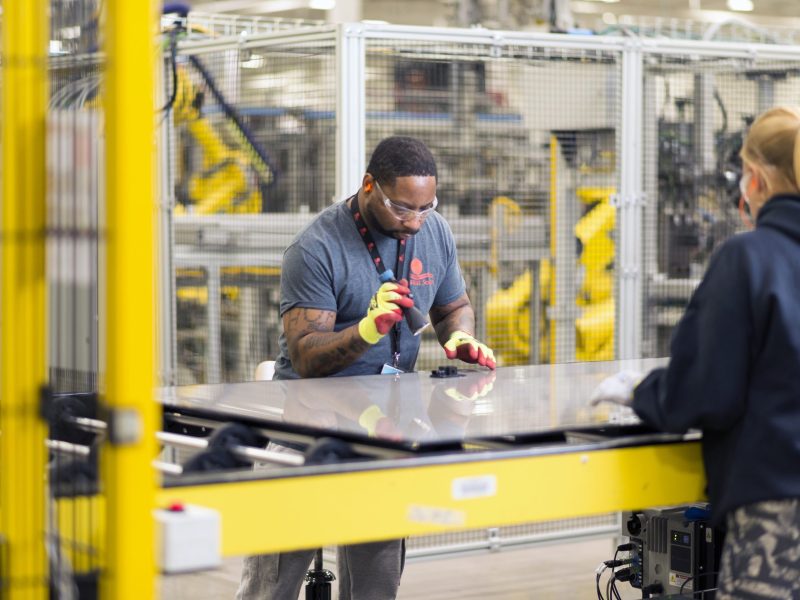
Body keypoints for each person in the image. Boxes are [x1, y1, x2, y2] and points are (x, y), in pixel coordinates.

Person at [236, 136, 495, 600]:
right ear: (369, 185)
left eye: (425, 207)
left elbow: (454, 304)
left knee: (376, 586)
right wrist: (368, 330)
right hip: (307, 427)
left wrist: (460, 337)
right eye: (401, 208)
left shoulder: (432, 231)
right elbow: (306, 356)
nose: (414, 222)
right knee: (271, 584)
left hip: (385, 430)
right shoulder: (316, 247)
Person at [590, 106, 800, 599]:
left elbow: (706, 392)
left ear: (754, 179)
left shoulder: (749, 259)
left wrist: (643, 391)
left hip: (778, 505)